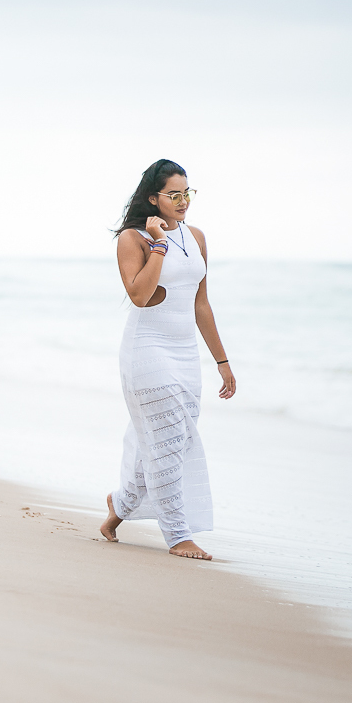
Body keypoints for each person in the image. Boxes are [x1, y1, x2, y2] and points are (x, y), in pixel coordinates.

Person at [99, 159, 236, 560]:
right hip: (147, 350)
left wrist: (222, 362)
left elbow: (202, 304)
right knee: (168, 441)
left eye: (187, 193)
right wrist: (157, 243)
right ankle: (178, 534)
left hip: (185, 352)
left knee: (165, 440)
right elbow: (140, 295)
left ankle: (119, 506)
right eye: (174, 195)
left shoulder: (196, 237)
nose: (183, 202)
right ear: (152, 198)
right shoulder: (133, 239)